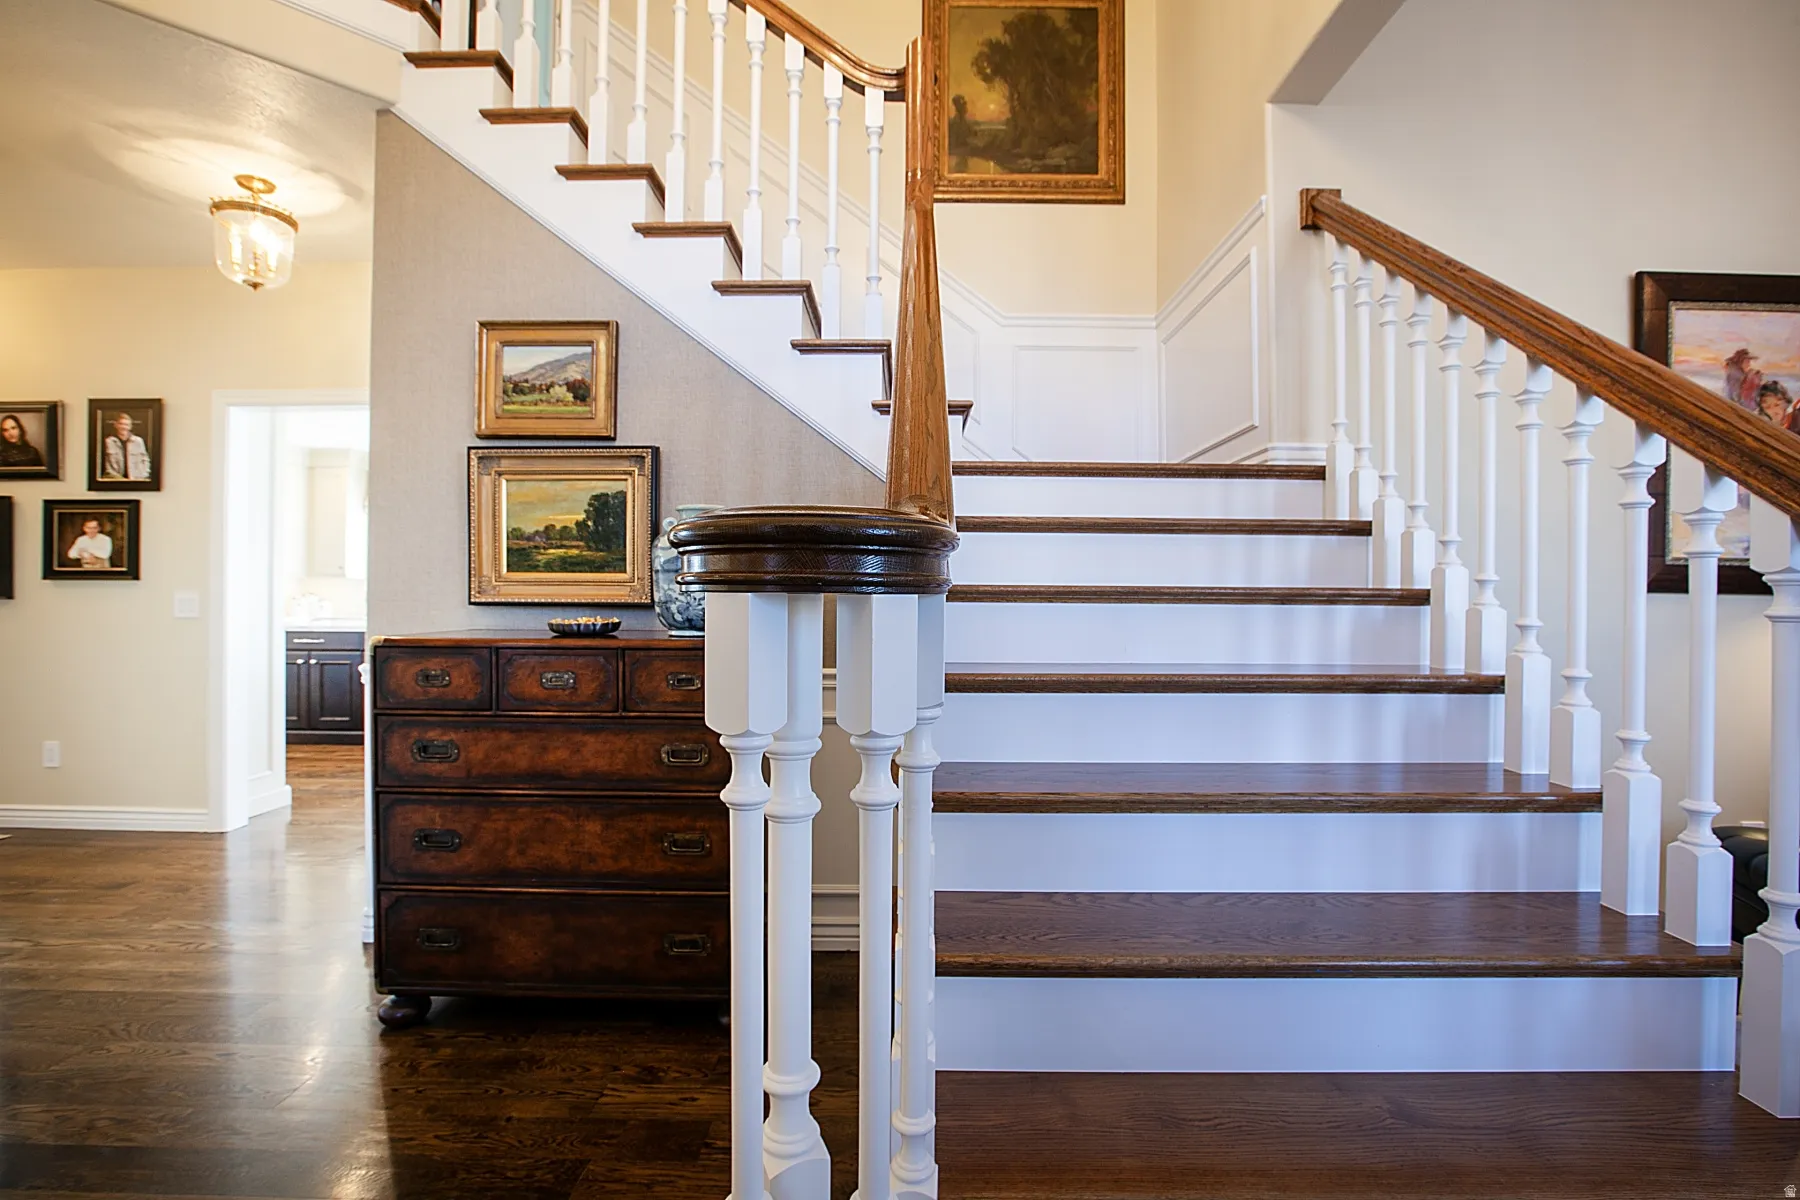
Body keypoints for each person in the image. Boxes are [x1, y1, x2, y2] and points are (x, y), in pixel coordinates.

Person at [101, 411, 151, 481]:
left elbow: (145, 460)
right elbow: (105, 463)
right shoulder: (109, 441)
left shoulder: (138, 441)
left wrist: (143, 475)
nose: (123, 427)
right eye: (121, 424)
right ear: (116, 425)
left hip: (136, 480)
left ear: (130, 427)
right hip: (114, 480)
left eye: (126, 425)